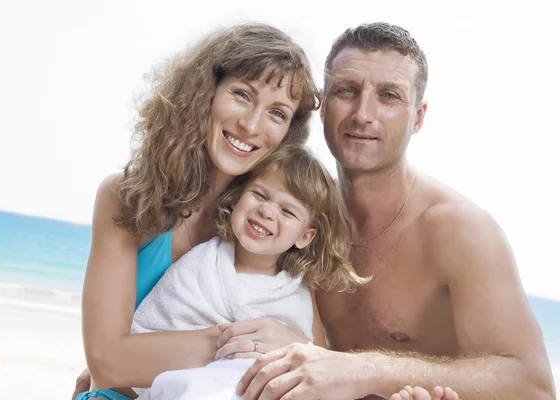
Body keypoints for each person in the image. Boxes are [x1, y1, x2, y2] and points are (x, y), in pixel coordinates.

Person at [228, 22, 556, 399]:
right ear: (322, 107)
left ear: (418, 117)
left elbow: (534, 386)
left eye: (389, 96)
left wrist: (371, 369)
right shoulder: (298, 224)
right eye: (347, 91)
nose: (363, 114)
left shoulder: (459, 229)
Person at [73, 22, 321, 400]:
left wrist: (292, 342)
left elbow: (314, 360)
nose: (252, 124)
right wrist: (249, 342)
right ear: (204, 92)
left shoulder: (272, 226)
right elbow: (108, 362)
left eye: (277, 113)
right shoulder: (128, 196)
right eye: (242, 94)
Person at [129, 145, 369, 400]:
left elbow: (307, 370)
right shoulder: (200, 266)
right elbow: (150, 331)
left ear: (305, 236)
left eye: (287, 211)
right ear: (237, 198)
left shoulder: (294, 292)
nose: (267, 211)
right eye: (260, 195)